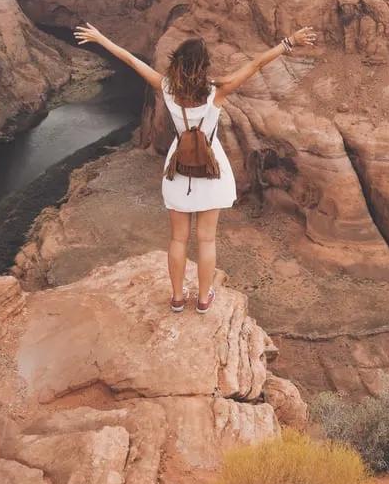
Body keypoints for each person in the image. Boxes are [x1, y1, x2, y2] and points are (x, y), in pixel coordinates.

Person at [73, 22, 318, 313]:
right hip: (211, 174)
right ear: (203, 66)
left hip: (179, 172)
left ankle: (177, 298)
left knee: (178, 238)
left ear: (177, 63)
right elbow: (256, 65)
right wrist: (289, 41)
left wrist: (100, 38)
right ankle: (203, 300)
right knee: (206, 240)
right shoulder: (218, 91)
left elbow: (130, 59)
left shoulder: (166, 88)